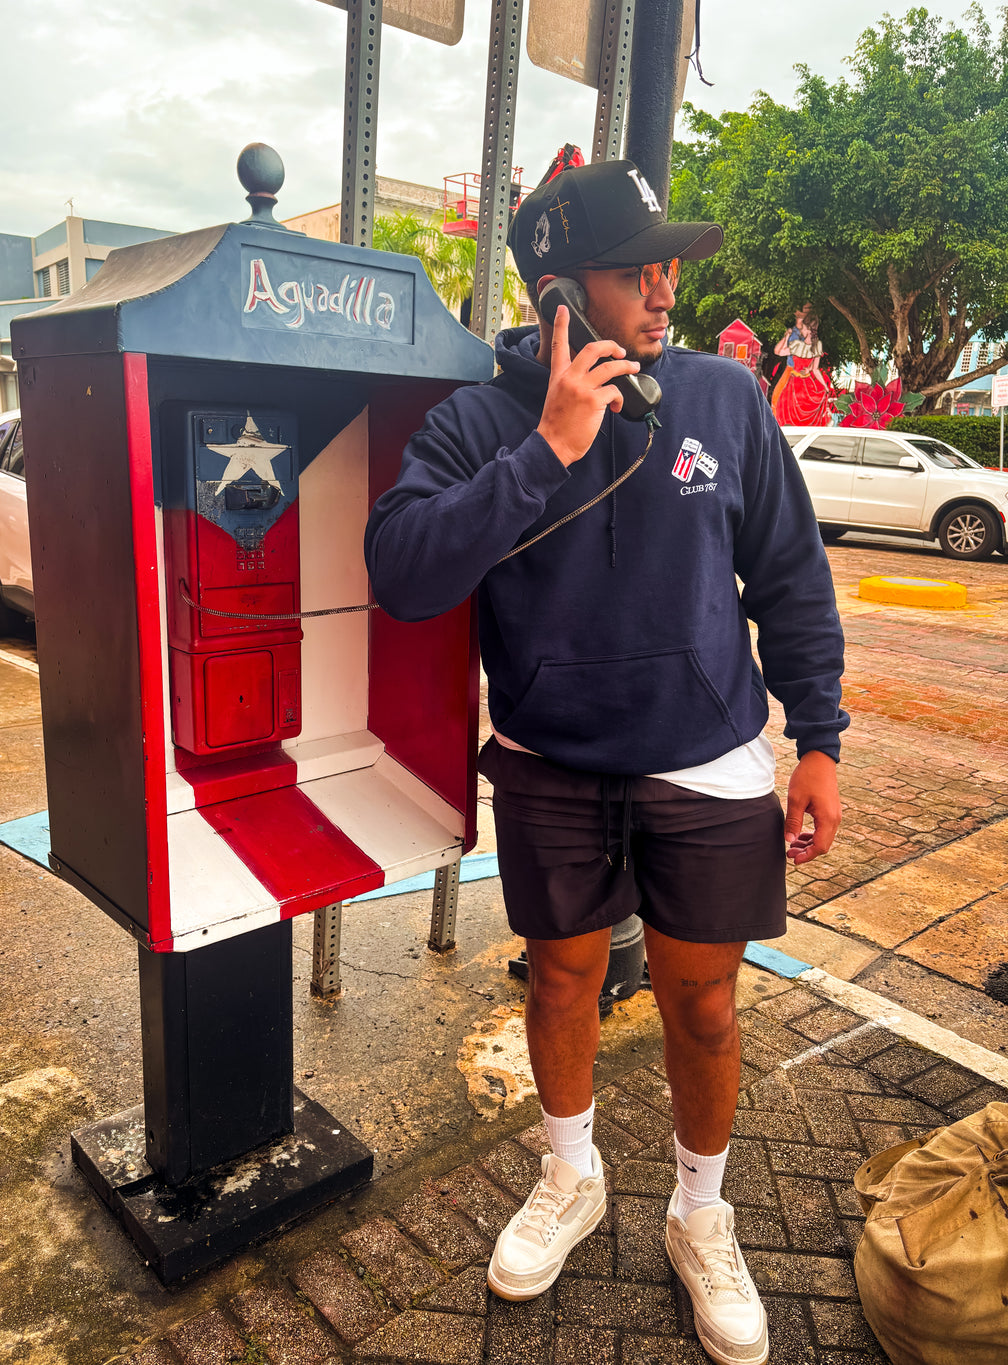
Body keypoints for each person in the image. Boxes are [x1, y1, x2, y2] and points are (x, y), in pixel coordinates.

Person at [364, 153, 847, 1365]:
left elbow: (787, 573)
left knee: (701, 999)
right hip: (549, 758)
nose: (666, 283)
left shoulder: (725, 401)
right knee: (564, 979)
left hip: (708, 757)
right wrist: (550, 447)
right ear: (560, 293)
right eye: (640, 267)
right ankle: (570, 1176)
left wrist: (820, 740)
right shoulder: (477, 419)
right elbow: (404, 572)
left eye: (668, 262)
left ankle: (702, 1210)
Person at [771, 304, 833, 426]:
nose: (802, 331)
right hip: (795, 382)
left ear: (809, 330)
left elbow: (815, 370)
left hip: (801, 384)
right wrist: (786, 337)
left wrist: (825, 387)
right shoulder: (798, 345)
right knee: (785, 406)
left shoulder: (814, 346)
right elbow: (778, 351)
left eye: (804, 328)